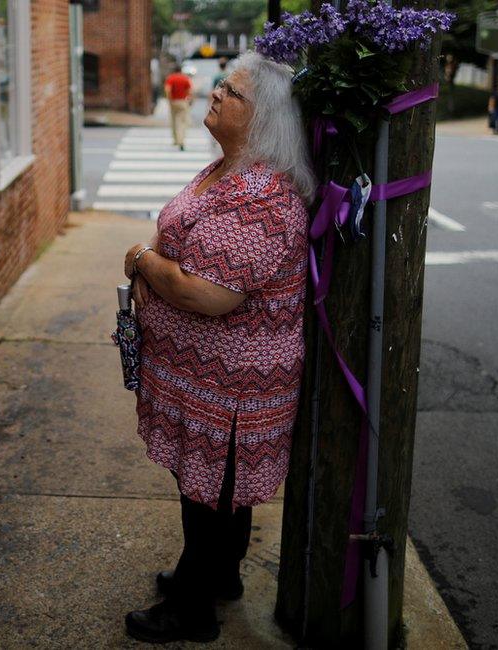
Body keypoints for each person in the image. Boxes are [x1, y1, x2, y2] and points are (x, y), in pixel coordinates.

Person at [122, 51, 316, 643]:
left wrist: (141, 261)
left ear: (262, 119)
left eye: (228, 91)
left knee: (207, 494)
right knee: (218, 488)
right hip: (206, 378)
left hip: (230, 382)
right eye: (219, 86)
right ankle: (215, 575)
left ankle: (192, 609)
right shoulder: (231, 170)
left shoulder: (260, 198)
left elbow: (207, 294)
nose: (213, 94)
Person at [164, 64, 193, 151]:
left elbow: (167, 90)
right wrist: (189, 98)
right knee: (182, 121)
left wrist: (170, 99)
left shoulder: (170, 78)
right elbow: (190, 91)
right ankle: (181, 141)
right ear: (181, 70)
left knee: (173, 120)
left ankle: (175, 140)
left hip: (173, 101)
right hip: (182, 101)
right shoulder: (185, 78)